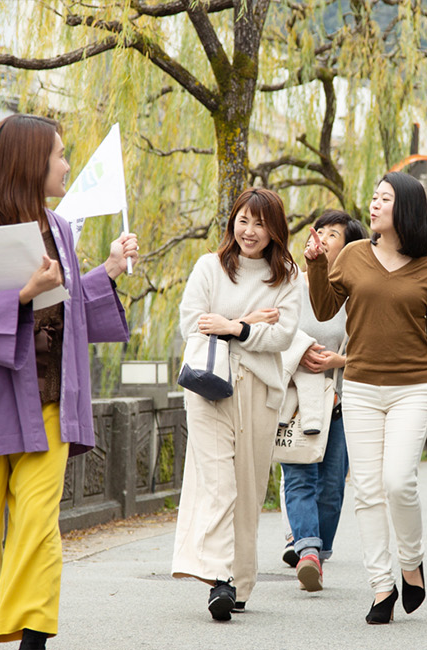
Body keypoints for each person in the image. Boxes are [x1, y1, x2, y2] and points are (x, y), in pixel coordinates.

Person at [0, 114, 137, 650]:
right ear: (30, 163)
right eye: (60, 155)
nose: (67, 165)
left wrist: (108, 271)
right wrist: (22, 294)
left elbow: (65, 309)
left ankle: (33, 640)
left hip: (49, 402)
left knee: (37, 524)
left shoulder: (62, 230)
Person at [304, 171, 427, 624]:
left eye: (384, 199)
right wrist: (315, 262)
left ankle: (412, 561)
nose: (372, 205)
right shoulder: (352, 255)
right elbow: (324, 308)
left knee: (398, 482)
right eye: (372, 197)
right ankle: (380, 586)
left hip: (413, 387)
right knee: (367, 490)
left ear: (406, 208)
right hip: (362, 387)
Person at [170, 187, 301, 621]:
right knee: (219, 484)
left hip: (260, 392)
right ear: (233, 222)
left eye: (260, 223)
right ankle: (218, 579)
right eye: (243, 220)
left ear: (274, 230)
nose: (249, 231)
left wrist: (229, 326)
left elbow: (282, 336)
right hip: (209, 386)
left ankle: (240, 584)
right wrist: (247, 323)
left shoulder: (286, 277)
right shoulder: (210, 267)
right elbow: (194, 323)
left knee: (246, 488)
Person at [279, 209, 367, 591]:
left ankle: (317, 549)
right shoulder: (289, 284)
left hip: (341, 398)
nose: (324, 238)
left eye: (334, 235)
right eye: (321, 231)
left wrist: (339, 360)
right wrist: (300, 350)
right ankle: (308, 550)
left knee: (331, 486)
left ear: (349, 248)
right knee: (299, 473)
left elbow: (371, 346)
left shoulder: (359, 292)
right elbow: (273, 331)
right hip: (296, 397)